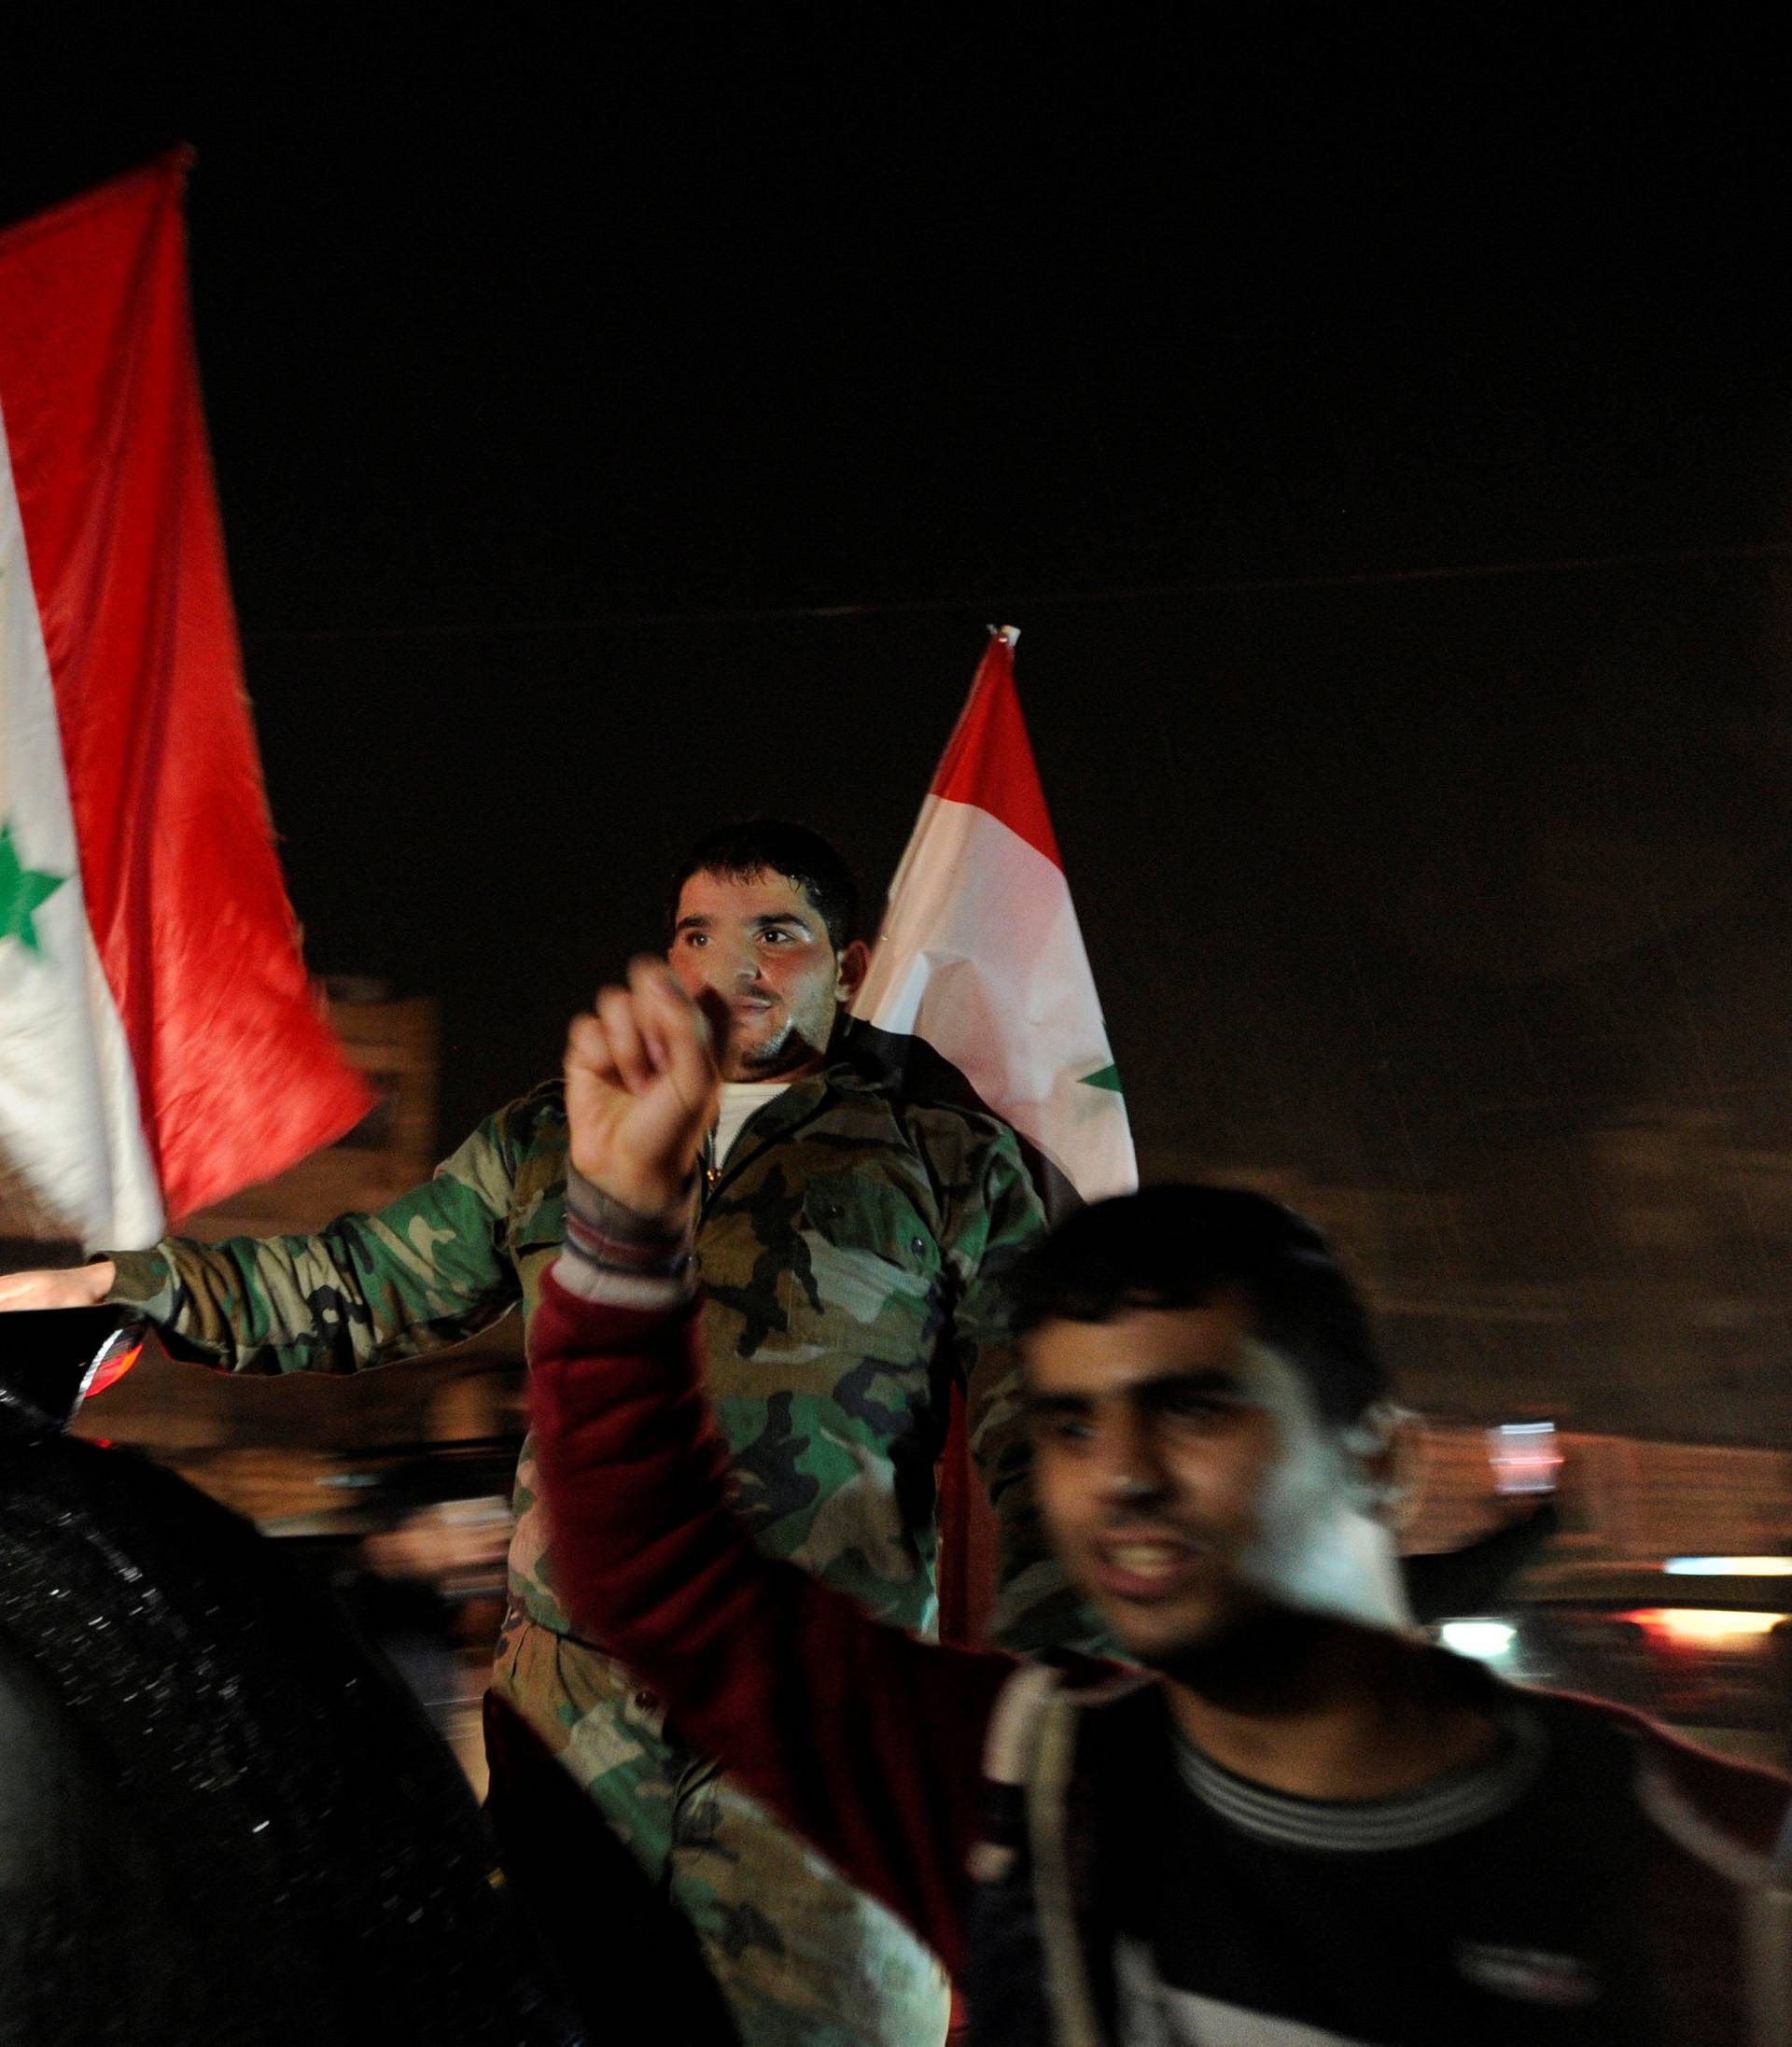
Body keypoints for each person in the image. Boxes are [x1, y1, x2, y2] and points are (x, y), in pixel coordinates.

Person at [528, 960, 1792, 2046]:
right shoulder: (1026, 1789)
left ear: (1384, 1460)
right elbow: (660, 1583)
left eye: (1193, 1407)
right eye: (1071, 1422)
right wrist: (624, 1218)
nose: (1119, 1473)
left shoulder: (1709, 1873)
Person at [0, 821, 1052, 2047]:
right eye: (698, 933)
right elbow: (359, 1281)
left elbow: (1041, 1423)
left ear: (851, 963)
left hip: (817, 1722)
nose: (737, 963)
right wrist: (137, 1288)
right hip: (575, 1717)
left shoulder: (944, 1153)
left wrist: (1048, 1701)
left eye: (779, 932)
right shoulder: (553, 1136)